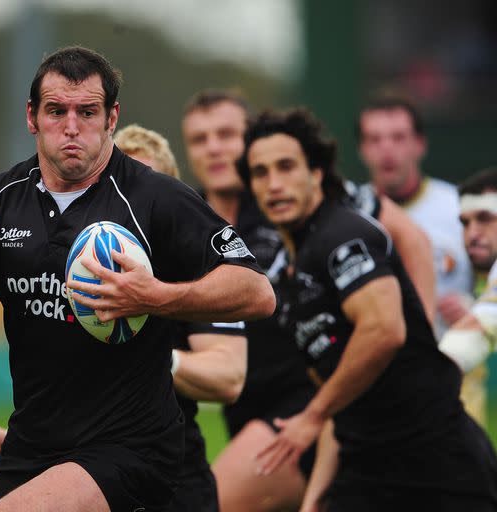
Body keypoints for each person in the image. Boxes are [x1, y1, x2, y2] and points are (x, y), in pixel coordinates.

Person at [0, 46, 275, 512]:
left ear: (112, 117)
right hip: (32, 447)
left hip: (130, 446)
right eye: (56, 111)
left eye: (87, 111)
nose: (71, 127)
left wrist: (155, 296)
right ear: (32, 117)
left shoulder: (155, 198)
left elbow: (258, 291)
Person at [0, 123, 249, 512]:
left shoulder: (194, 278)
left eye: (138, 186)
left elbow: (228, 376)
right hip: (91, 469)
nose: (122, 204)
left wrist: (154, 330)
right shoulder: (83, 272)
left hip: (173, 485)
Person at [181, 89, 436, 512]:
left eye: (226, 134)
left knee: (215, 504)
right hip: (244, 405)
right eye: (199, 139)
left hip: (306, 401)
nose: (214, 148)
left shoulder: (287, 197)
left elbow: (411, 237)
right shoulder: (187, 211)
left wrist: (420, 336)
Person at [243, 108, 497, 511]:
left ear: (316, 173)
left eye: (287, 166)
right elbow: (336, 400)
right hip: (365, 474)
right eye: (260, 172)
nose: (274, 184)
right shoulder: (290, 281)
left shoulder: (343, 233)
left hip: (438, 467)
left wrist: (311, 415)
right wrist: (313, 501)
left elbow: (384, 330)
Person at [358, 92, 472, 336]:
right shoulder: (347, 215)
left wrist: (475, 307)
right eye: (374, 139)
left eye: (398, 137)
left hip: (455, 363)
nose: (386, 148)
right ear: (362, 149)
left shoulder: (462, 209)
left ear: (420, 144)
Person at [439, 167, 497, 428]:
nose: (472, 234)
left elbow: (471, 335)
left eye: (485, 218)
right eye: (465, 222)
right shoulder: (480, 286)